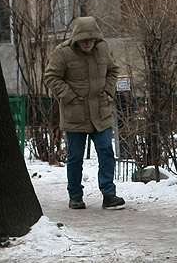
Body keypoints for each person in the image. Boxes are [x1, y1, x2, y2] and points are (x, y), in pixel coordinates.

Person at [45, 16, 125, 210]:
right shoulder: (63, 53)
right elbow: (51, 76)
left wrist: (108, 90)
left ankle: (109, 193)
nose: (88, 43)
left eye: (91, 40)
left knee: (106, 151)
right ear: (76, 39)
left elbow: (113, 70)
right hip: (75, 114)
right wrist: (69, 96)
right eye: (84, 40)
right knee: (75, 157)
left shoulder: (103, 48)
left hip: (101, 112)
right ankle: (75, 195)